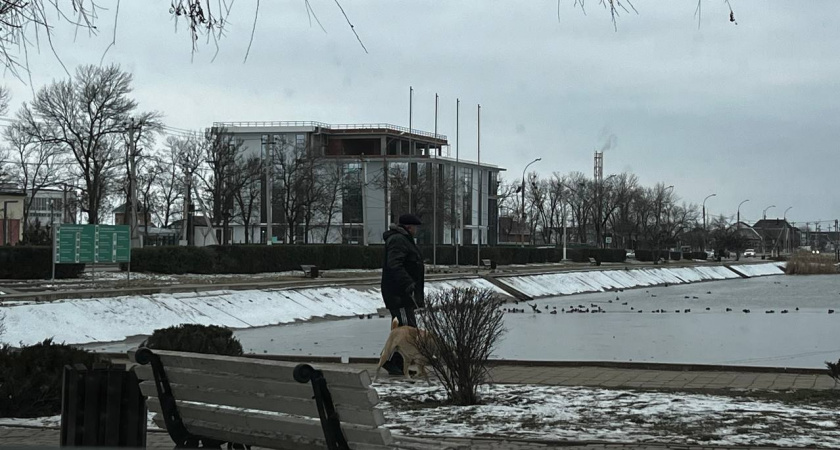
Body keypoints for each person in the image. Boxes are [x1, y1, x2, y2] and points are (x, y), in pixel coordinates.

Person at [379, 213, 425, 375]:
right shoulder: (398, 240)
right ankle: (390, 360)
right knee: (406, 330)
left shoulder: (403, 240)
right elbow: (395, 265)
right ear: (408, 227)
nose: (416, 231)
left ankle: (397, 364)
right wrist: (408, 284)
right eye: (415, 227)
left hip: (402, 293)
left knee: (405, 329)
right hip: (399, 294)